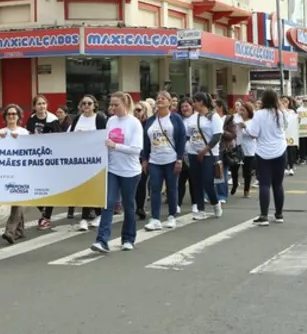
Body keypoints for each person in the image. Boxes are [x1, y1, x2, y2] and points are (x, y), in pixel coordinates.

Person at [90, 92, 144, 253]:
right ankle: (102, 240)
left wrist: (115, 146)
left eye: (116, 105)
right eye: (111, 105)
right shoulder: (111, 121)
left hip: (130, 171)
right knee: (108, 203)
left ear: (125, 104)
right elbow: (105, 142)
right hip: (113, 169)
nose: (112, 108)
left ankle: (128, 238)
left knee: (129, 205)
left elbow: (136, 149)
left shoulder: (134, 123)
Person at [240, 90, 287, 226]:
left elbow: (254, 134)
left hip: (263, 152)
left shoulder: (259, 114)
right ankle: (279, 214)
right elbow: (285, 128)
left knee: (264, 184)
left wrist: (246, 128)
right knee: (278, 184)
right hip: (280, 150)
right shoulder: (281, 113)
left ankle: (264, 215)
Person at [140, 91, 185, 231]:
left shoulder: (176, 118)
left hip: (171, 158)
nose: (160, 100)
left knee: (172, 188)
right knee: (155, 189)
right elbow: (145, 141)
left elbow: (181, 139)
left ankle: (171, 216)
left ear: (170, 102)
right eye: (158, 98)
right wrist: (144, 159)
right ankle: (155, 218)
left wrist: (179, 159)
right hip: (154, 160)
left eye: (163, 98)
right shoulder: (151, 120)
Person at [68, 95, 109, 231]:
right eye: (83, 103)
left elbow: (104, 136)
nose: (86, 105)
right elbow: (71, 136)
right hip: (81, 160)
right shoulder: (77, 119)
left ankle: (99, 215)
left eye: (89, 103)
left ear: (94, 105)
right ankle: (84, 218)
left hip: (96, 159)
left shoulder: (100, 118)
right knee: (84, 188)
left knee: (96, 188)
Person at [185, 92, 223, 220]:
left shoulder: (213, 117)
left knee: (207, 181)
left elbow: (217, 136)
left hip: (209, 154)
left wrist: (204, 150)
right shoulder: (193, 117)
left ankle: (215, 202)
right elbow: (188, 133)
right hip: (193, 152)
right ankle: (200, 209)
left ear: (201, 102)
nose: (193, 104)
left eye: (195, 101)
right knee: (196, 181)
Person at [26, 95, 61, 229]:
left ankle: (46, 217)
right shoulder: (32, 119)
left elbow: (60, 138)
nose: (42, 106)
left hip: (49, 158)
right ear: (34, 106)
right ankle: (44, 211)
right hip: (34, 158)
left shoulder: (53, 120)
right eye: (39, 104)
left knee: (48, 188)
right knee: (33, 188)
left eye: (44, 104)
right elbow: (27, 134)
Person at [0, 104, 30, 244]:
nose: (11, 116)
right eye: (9, 114)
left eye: (14, 114)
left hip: (21, 171)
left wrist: (20, 141)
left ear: (18, 116)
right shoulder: (0, 132)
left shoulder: (24, 133)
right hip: (7, 170)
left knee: (17, 200)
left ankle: (10, 230)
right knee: (16, 199)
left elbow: (29, 151)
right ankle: (20, 230)